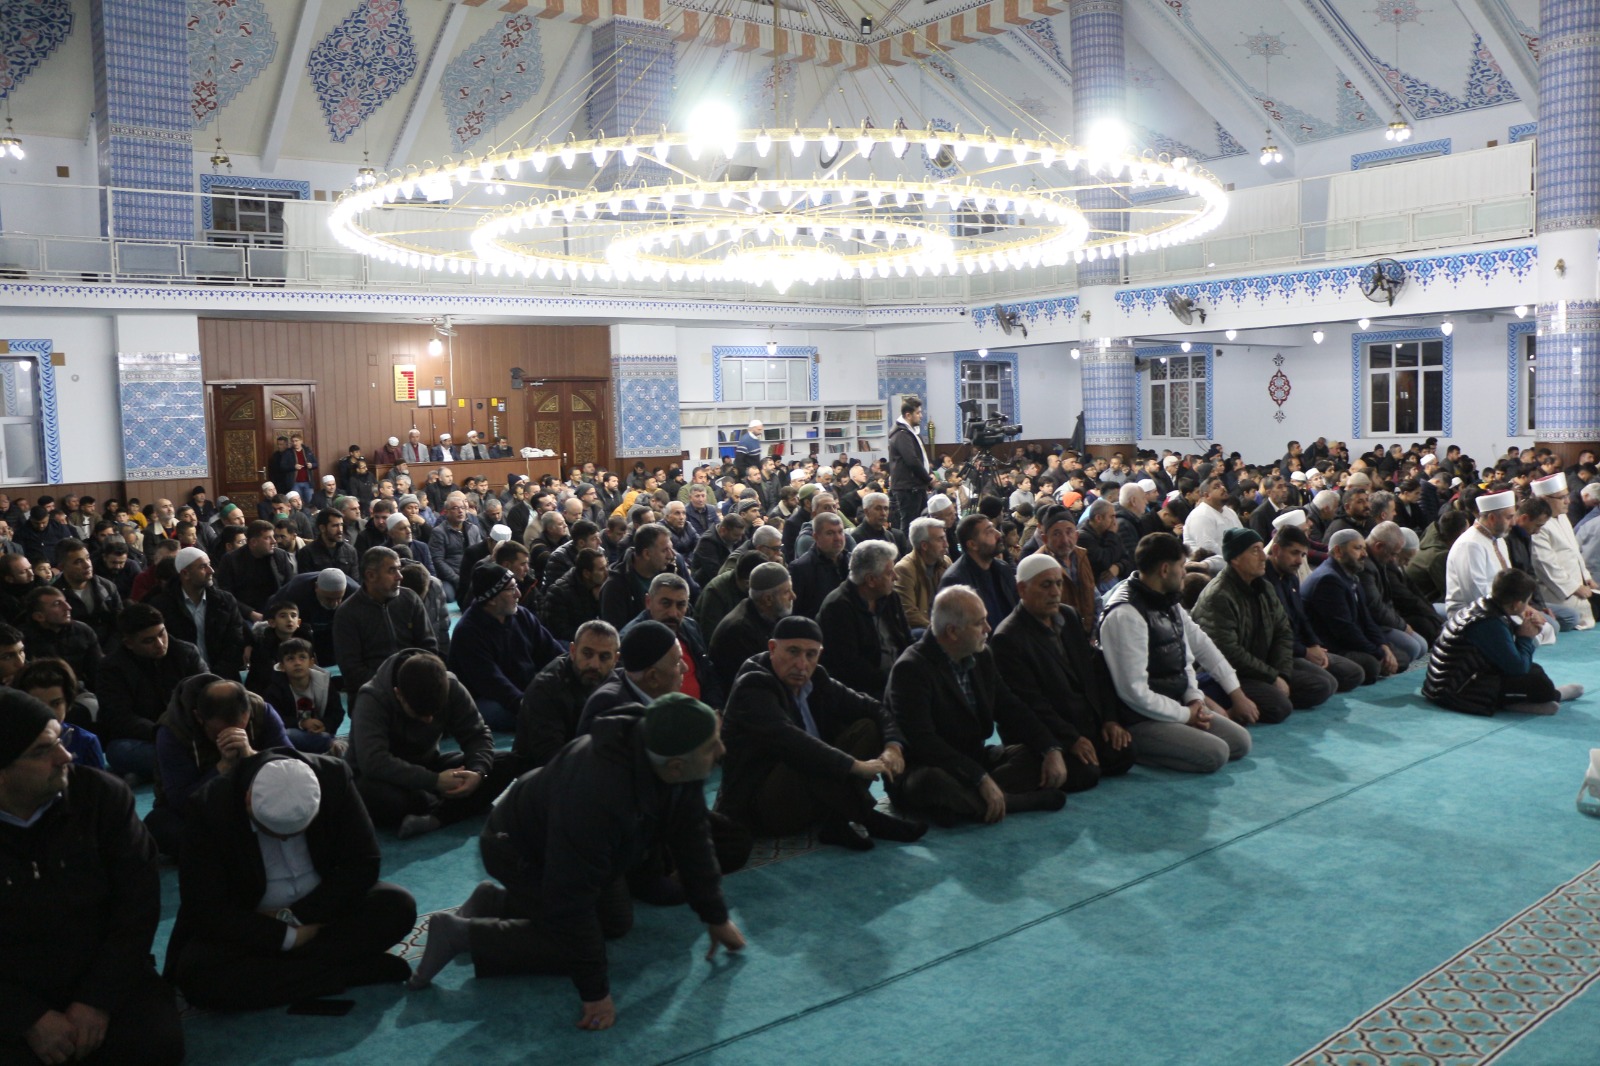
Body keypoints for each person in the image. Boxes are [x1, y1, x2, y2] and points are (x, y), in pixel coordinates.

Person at [406, 694, 746, 1032]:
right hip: (516, 850)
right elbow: (571, 899)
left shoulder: (668, 755)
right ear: (676, 766)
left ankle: (494, 902)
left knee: (614, 923)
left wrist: (715, 916)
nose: (721, 751)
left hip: (578, 849)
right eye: (712, 746)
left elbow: (693, 840)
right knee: (570, 943)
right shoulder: (598, 795)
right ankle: (461, 935)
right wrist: (595, 994)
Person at [0, 691, 185, 1066]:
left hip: (105, 972)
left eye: (61, 739)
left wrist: (95, 1002)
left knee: (152, 1047)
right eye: (42, 750)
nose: (65, 757)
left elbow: (137, 908)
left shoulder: (101, 797)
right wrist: (26, 1018)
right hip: (15, 987)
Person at [165, 750, 417, 1010]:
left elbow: (363, 863)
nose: (285, 839)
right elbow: (207, 906)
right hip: (252, 925)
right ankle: (348, 971)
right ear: (248, 801)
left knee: (397, 906)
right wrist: (282, 936)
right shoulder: (209, 807)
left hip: (322, 915)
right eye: (272, 832)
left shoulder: (333, 777)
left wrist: (295, 918)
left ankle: (289, 973)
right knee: (199, 976)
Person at [719, 615, 924, 849]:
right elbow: (790, 740)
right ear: (772, 648)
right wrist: (854, 765)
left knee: (867, 726)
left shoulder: (817, 678)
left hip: (811, 792)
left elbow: (874, 707)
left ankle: (835, 821)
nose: (801, 664)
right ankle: (867, 816)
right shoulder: (753, 684)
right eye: (793, 652)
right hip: (760, 806)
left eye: (810, 654)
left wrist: (893, 747)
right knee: (802, 754)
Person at [886, 586, 1069, 823]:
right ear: (952, 631)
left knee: (1032, 756)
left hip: (972, 758)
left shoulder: (981, 655)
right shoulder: (911, 669)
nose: (988, 629)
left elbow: (1010, 707)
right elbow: (923, 742)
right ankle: (1012, 801)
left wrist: (1049, 747)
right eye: (979, 623)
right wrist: (979, 777)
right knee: (933, 783)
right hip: (927, 765)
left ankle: (981, 801)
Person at [1099, 533, 1259, 774]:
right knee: (1216, 754)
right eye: (1181, 566)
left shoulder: (1168, 602)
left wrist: (1195, 698)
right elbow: (1134, 692)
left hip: (1175, 705)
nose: (1185, 572)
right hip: (1139, 718)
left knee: (1240, 742)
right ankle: (1137, 749)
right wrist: (1186, 715)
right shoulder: (1126, 614)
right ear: (1165, 569)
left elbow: (1188, 656)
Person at [990, 553, 1135, 792]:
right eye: (1046, 585)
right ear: (1022, 589)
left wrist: (1110, 719)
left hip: (1082, 722)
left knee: (1124, 752)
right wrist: (1070, 740)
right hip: (1045, 732)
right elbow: (1031, 704)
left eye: (1058, 583)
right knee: (1086, 773)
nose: (1055, 592)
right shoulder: (1008, 638)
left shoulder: (1068, 615)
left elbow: (1095, 672)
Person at [346, 649, 519, 838]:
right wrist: (434, 781)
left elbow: (477, 735)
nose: (429, 720)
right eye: (419, 714)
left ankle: (438, 816)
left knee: (507, 762)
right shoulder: (372, 699)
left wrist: (478, 772)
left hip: (428, 766)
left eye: (434, 713)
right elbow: (373, 762)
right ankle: (458, 804)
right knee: (379, 797)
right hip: (383, 779)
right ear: (399, 694)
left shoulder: (451, 685)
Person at [1191, 528, 1337, 722]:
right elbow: (1228, 653)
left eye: (1262, 549)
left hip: (1262, 666)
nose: (1263, 556)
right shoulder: (1218, 596)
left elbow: (1283, 632)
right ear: (1235, 558)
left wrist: (1282, 675)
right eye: (1255, 550)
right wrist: (1271, 676)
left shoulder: (1263, 586)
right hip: (1230, 673)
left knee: (1326, 684)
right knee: (1280, 707)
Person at [144, 675, 292, 858]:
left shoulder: (260, 709)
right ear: (199, 717)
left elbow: (291, 767)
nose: (231, 737)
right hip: (208, 808)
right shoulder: (173, 730)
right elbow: (181, 801)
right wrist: (223, 766)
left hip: (258, 797)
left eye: (240, 729)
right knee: (158, 824)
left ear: (247, 714)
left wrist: (251, 756)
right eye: (219, 733)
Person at [1422, 568, 1585, 716]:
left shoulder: (1486, 606)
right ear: (1516, 604)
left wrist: (1523, 630)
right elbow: (1518, 668)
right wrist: (1525, 638)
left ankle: (1533, 699)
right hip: (1455, 691)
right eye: (1527, 602)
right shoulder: (1488, 624)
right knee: (1536, 681)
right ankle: (1547, 697)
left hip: (1445, 683)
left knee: (1534, 670)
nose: (1528, 606)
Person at [448, 565, 563, 732]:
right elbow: (493, 683)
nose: (519, 594)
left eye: (516, 587)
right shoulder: (468, 632)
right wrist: (528, 704)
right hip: (487, 698)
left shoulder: (521, 616)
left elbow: (551, 651)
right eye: (511, 589)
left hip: (523, 687)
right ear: (492, 598)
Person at [1262, 526, 1367, 693]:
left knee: (1355, 673)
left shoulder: (1291, 578)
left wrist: (1314, 645)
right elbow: (1272, 634)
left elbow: (1301, 617)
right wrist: (1304, 652)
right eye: (1294, 553)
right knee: (1326, 685)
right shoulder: (1263, 582)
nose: (1299, 561)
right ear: (1276, 550)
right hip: (1280, 653)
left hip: (1301, 648)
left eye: (1303, 555)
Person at [1302, 529, 1412, 683]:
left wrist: (1383, 646)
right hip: (1332, 646)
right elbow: (1345, 630)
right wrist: (1378, 653)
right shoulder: (1328, 580)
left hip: (1349, 641)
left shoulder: (1350, 574)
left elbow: (1366, 619)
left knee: (1401, 656)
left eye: (1364, 548)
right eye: (1358, 548)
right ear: (1338, 551)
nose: (1365, 554)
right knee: (1371, 665)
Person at [514, 620, 620, 769]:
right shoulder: (546, 689)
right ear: (572, 651)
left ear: (616, 659)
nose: (594, 664)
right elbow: (549, 757)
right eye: (587, 654)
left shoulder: (616, 680)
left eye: (604, 657)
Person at [333, 546, 438, 695]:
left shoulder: (410, 599)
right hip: (373, 694)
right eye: (392, 570)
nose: (400, 576)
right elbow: (353, 671)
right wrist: (394, 685)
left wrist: (413, 680)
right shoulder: (347, 613)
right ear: (370, 576)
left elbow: (429, 647)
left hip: (415, 684)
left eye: (399, 569)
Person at [816, 540, 911, 699]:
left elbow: (906, 638)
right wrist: (897, 681)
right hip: (865, 691)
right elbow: (851, 668)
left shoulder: (889, 597)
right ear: (871, 580)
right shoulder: (838, 608)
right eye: (889, 573)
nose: (896, 577)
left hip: (899, 676)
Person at [147, 545, 252, 680]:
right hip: (181, 679)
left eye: (209, 565)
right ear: (185, 574)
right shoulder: (162, 605)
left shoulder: (225, 601)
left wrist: (216, 675)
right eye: (203, 567)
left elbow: (235, 641)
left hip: (223, 678)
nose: (211, 571)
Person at [620, 573, 722, 708]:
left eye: (680, 605)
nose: (673, 613)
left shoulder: (690, 627)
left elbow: (708, 674)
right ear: (648, 602)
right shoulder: (631, 641)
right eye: (666, 604)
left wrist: (715, 711)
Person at [709, 562, 794, 693]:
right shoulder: (739, 631)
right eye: (787, 592)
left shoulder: (767, 615)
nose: (793, 596)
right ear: (768, 599)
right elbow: (759, 682)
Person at [1528, 472, 1597, 630]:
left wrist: (1586, 577)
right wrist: (1574, 587)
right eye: (1561, 497)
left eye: (1567, 495)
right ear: (1545, 500)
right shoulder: (1540, 524)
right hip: (1556, 589)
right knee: (1575, 616)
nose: (1568, 501)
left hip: (1576, 583)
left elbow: (1575, 552)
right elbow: (1545, 565)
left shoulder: (1562, 516)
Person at [14, 658, 104, 770]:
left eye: (56, 703)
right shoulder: (11, 743)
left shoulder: (86, 742)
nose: (48, 712)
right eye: (38, 704)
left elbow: (98, 785)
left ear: (67, 702)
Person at [1445, 489, 1521, 618]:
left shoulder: (1499, 539)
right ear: (1492, 518)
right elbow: (1476, 596)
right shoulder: (1470, 545)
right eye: (1509, 517)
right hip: (1472, 615)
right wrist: (1514, 613)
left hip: (1502, 606)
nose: (1514, 522)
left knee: (1546, 627)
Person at [939, 514, 1018, 630]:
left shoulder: (1002, 568)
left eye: (995, 529)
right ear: (972, 544)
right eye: (989, 532)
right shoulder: (956, 581)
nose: (998, 534)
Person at [19, 585, 101, 696]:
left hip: (80, 691)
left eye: (65, 601)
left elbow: (97, 671)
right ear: (39, 616)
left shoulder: (83, 631)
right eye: (57, 604)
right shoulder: (23, 640)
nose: (68, 607)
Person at [598, 523, 676, 629]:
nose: (671, 555)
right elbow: (617, 634)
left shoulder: (669, 573)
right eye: (664, 550)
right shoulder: (615, 587)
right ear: (646, 554)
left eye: (671, 549)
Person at [214, 520, 295, 617]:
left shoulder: (280, 555)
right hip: (243, 613)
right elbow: (226, 594)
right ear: (253, 542)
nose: (274, 541)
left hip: (277, 611)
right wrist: (249, 613)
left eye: (273, 537)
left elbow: (289, 587)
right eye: (267, 538)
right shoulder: (230, 560)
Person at [52, 539, 122, 651]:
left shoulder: (107, 587)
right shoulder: (55, 595)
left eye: (88, 558)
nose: (87, 565)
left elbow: (119, 624)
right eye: (78, 562)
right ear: (62, 567)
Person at [788, 510, 851, 619]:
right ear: (816, 537)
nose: (837, 538)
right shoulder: (800, 568)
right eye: (830, 533)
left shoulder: (851, 561)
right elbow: (796, 611)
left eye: (840, 532)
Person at [893, 516, 950, 632]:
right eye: (940, 539)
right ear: (924, 546)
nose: (946, 544)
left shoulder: (946, 562)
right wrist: (939, 630)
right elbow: (909, 614)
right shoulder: (904, 569)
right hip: (923, 629)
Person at [888, 397, 933, 535]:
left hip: (914, 486)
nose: (921, 415)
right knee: (910, 527)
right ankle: (907, 554)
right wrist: (928, 479)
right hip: (908, 488)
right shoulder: (902, 434)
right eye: (918, 413)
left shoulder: (908, 432)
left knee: (920, 525)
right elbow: (912, 460)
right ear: (908, 415)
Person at [297, 508, 359, 579]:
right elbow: (306, 582)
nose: (340, 530)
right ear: (322, 528)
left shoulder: (350, 551)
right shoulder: (307, 553)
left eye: (341, 525)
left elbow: (354, 582)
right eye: (335, 526)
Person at [691, 512, 747, 588]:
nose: (740, 538)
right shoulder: (707, 542)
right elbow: (714, 573)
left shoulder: (738, 537)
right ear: (723, 530)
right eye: (736, 535)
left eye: (741, 535)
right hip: (707, 585)